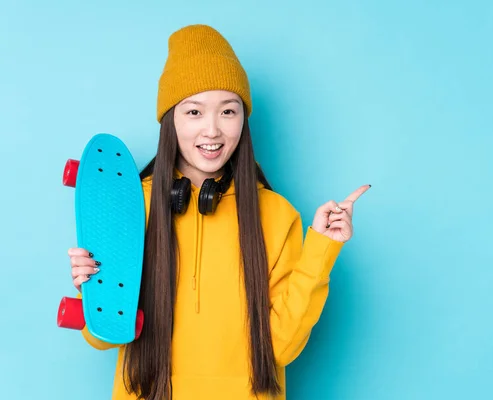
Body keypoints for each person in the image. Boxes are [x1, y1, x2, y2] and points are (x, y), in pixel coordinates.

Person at [67, 24, 370, 400]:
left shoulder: (276, 215)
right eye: (194, 111)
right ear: (170, 121)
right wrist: (90, 290)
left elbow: (282, 348)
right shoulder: (131, 204)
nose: (212, 130)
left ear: (243, 120)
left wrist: (321, 250)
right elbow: (100, 340)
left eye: (228, 111)